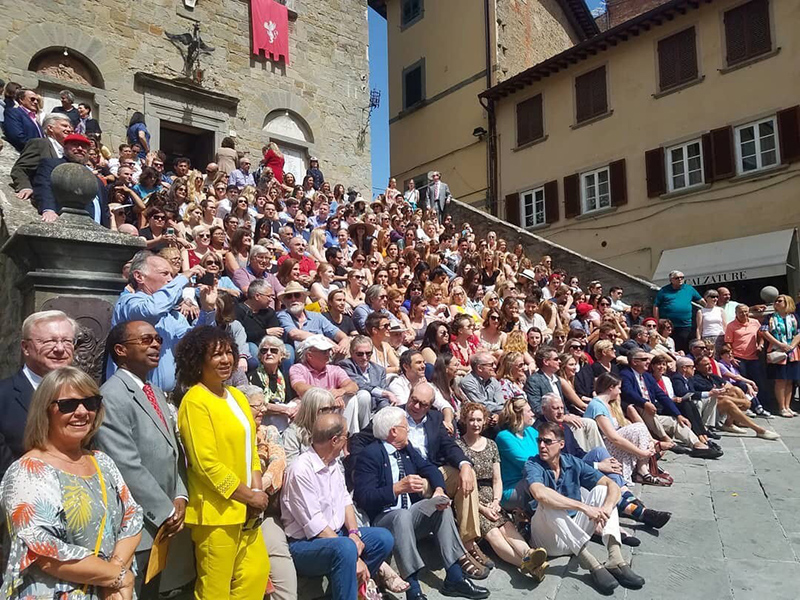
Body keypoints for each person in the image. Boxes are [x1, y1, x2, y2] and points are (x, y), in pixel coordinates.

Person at [0, 366, 143, 600]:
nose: (82, 412)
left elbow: (133, 517)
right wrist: (117, 577)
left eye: (90, 403)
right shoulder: (27, 472)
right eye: (68, 405)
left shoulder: (102, 462)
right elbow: (43, 551)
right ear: (44, 411)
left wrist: (115, 574)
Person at [352, 406, 491, 600]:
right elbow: (364, 497)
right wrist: (396, 489)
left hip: (410, 515)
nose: (409, 429)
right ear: (393, 431)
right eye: (405, 427)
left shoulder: (406, 449)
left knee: (441, 507)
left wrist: (439, 490)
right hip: (384, 520)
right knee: (401, 516)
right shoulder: (370, 455)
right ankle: (413, 587)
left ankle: (455, 577)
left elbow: (429, 468)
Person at [97, 321, 192, 598]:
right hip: (137, 526)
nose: (155, 345)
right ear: (120, 350)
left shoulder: (154, 391)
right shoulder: (112, 396)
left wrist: (180, 495)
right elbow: (124, 463)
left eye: (158, 339)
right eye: (146, 340)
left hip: (163, 525)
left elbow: (173, 450)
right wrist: (165, 511)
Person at [174, 326, 271, 600]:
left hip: (247, 510)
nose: (226, 359)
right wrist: (249, 496)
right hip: (216, 514)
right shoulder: (195, 401)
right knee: (214, 590)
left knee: (255, 574)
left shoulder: (238, 396)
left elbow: (251, 450)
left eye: (229, 352)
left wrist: (256, 493)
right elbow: (206, 465)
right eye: (216, 354)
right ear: (198, 360)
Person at [282, 412, 395, 600]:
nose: (347, 441)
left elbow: (345, 500)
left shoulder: (333, 463)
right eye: (345, 436)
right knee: (346, 549)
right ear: (334, 440)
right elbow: (316, 526)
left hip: (337, 535)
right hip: (305, 544)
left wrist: (354, 533)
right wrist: (355, 558)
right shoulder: (300, 471)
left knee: (383, 539)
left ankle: (352, 590)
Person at [524, 421, 645, 594]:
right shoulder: (532, 464)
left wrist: (606, 508)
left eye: (547, 441)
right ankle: (591, 563)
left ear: (561, 444)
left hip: (576, 534)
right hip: (549, 541)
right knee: (547, 502)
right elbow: (539, 493)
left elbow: (611, 485)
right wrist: (583, 507)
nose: (542, 445)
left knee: (603, 491)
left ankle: (615, 558)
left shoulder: (572, 462)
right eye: (539, 441)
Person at [539, 393, 671, 529]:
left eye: (562, 408)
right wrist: (597, 465)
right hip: (565, 471)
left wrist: (599, 464)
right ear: (544, 410)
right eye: (556, 408)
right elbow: (561, 461)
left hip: (577, 463)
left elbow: (578, 451)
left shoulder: (564, 427)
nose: (561, 412)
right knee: (599, 483)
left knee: (599, 452)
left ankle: (625, 493)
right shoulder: (542, 432)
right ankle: (638, 511)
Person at [456, 403, 549, 580]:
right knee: (494, 534)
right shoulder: (458, 446)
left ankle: (530, 554)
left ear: (484, 421)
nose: (475, 424)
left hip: (491, 496)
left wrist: (496, 501)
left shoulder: (491, 445)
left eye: (479, 420)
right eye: (471, 420)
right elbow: (459, 485)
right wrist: (483, 508)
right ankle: (527, 565)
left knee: (508, 527)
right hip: (470, 498)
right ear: (464, 421)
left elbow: (497, 479)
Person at [110, 251, 216, 391]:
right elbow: (151, 310)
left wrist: (207, 309)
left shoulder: (171, 315)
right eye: (165, 274)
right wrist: (182, 278)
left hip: (163, 397)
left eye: (172, 275)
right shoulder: (128, 303)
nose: (171, 280)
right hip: (131, 395)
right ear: (139, 277)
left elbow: (193, 343)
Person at [0, 310, 75, 479]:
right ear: (26, 347)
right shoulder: (3, 397)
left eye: (67, 341)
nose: (60, 349)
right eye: (49, 341)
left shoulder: (87, 397)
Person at [621, 351, 720, 457]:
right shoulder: (625, 374)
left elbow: (661, 396)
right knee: (645, 409)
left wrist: (678, 415)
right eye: (644, 359)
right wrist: (644, 403)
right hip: (636, 413)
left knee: (676, 422)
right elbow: (628, 392)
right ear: (634, 362)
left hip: (652, 414)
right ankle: (667, 440)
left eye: (648, 359)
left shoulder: (646, 376)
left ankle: (697, 445)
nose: (648, 362)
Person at [289, 334, 370, 433]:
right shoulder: (298, 369)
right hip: (310, 409)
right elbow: (300, 387)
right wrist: (329, 397)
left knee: (351, 398)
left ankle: (347, 436)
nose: (328, 354)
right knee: (291, 406)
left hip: (332, 408)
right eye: (324, 351)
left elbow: (353, 386)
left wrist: (340, 391)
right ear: (309, 355)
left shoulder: (334, 369)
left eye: (329, 350)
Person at [691, 356, 780, 440]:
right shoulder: (696, 379)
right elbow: (717, 396)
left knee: (736, 390)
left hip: (718, 405)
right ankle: (759, 430)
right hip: (710, 411)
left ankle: (729, 423)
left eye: (710, 363)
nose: (710, 366)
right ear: (697, 367)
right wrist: (742, 401)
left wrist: (727, 390)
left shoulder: (712, 377)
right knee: (727, 402)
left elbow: (728, 386)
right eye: (706, 365)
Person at [34, 133, 111, 225]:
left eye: (84, 147)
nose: (80, 148)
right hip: (66, 222)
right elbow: (44, 186)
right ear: (65, 147)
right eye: (75, 144)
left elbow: (104, 208)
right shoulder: (52, 165)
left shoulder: (96, 179)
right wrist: (48, 209)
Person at [11, 112, 73, 200]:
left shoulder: (68, 151)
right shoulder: (39, 144)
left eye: (70, 127)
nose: (69, 129)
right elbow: (20, 168)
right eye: (64, 126)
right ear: (50, 128)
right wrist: (25, 187)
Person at [724, 304, 770, 416]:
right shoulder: (731, 326)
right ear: (736, 313)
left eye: (745, 311)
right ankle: (748, 406)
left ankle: (762, 405)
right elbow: (728, 343)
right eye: (741, 312)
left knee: (759, 382)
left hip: (754, 357)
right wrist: (731, 357)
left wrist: (760, 345)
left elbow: (761, 336)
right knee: (744, 383)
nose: (744, 314)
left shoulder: (755, 322)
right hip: (739, 358)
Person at [495, 397, 540, 509]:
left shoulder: (532, 432)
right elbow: (527, 463)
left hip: (536, 478)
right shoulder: (504, 437)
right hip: (513, 488)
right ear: (519, 415)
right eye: (529, 411)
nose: (532, 414)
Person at [762, 294, 800, 418]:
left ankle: (788, 406)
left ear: (787, 303)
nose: (776, 303)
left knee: (790, 380)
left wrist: (792, 346)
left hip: (792, 351)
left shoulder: (794, 317)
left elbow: (798, 333)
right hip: (777, 350)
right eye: (776, 301)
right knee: (780, 380)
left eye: (780, 301)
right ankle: (781, 407)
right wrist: (780, 344)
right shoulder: (770, 317)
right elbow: (764, 331)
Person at [339, 335, 399, 411]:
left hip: (375, 410)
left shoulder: (379, 370)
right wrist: (384, 393)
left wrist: (385, 409)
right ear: (351, 353)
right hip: (355, 410)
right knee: (364, 395)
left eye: (368, 353)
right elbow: (359, 384)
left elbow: (384, 397)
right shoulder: (346, 365)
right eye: (360, 354)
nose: (364, 357)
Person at [653, 270, 704, 353]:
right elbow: (656, 305)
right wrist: (657, 321)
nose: (680, 279)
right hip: (668, 325)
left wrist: (710, 307)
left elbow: (701, 300)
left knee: (683, 348)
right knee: (669, 347)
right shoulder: (664, 290)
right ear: (671, 280)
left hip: (685, 325)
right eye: (677, 278)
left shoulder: (689, 289)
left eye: (682, 277)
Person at [459, 352, 505, 422]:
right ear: (479, 368)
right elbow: (481, 404)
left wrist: (498, 415)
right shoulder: (468, 382)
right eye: (491, 365)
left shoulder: (494, 381)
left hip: (494, 416)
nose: (495, 367)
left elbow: (501, 402)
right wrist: (505, 408)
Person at [524, 346, 564, 415]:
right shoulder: (534, 380)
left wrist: (567, 415)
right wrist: (560, 416)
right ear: (546, 362)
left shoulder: (556, 379)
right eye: (556, 359)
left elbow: (562, 405)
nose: (559, 361)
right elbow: (536, 407)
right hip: (546, 419)